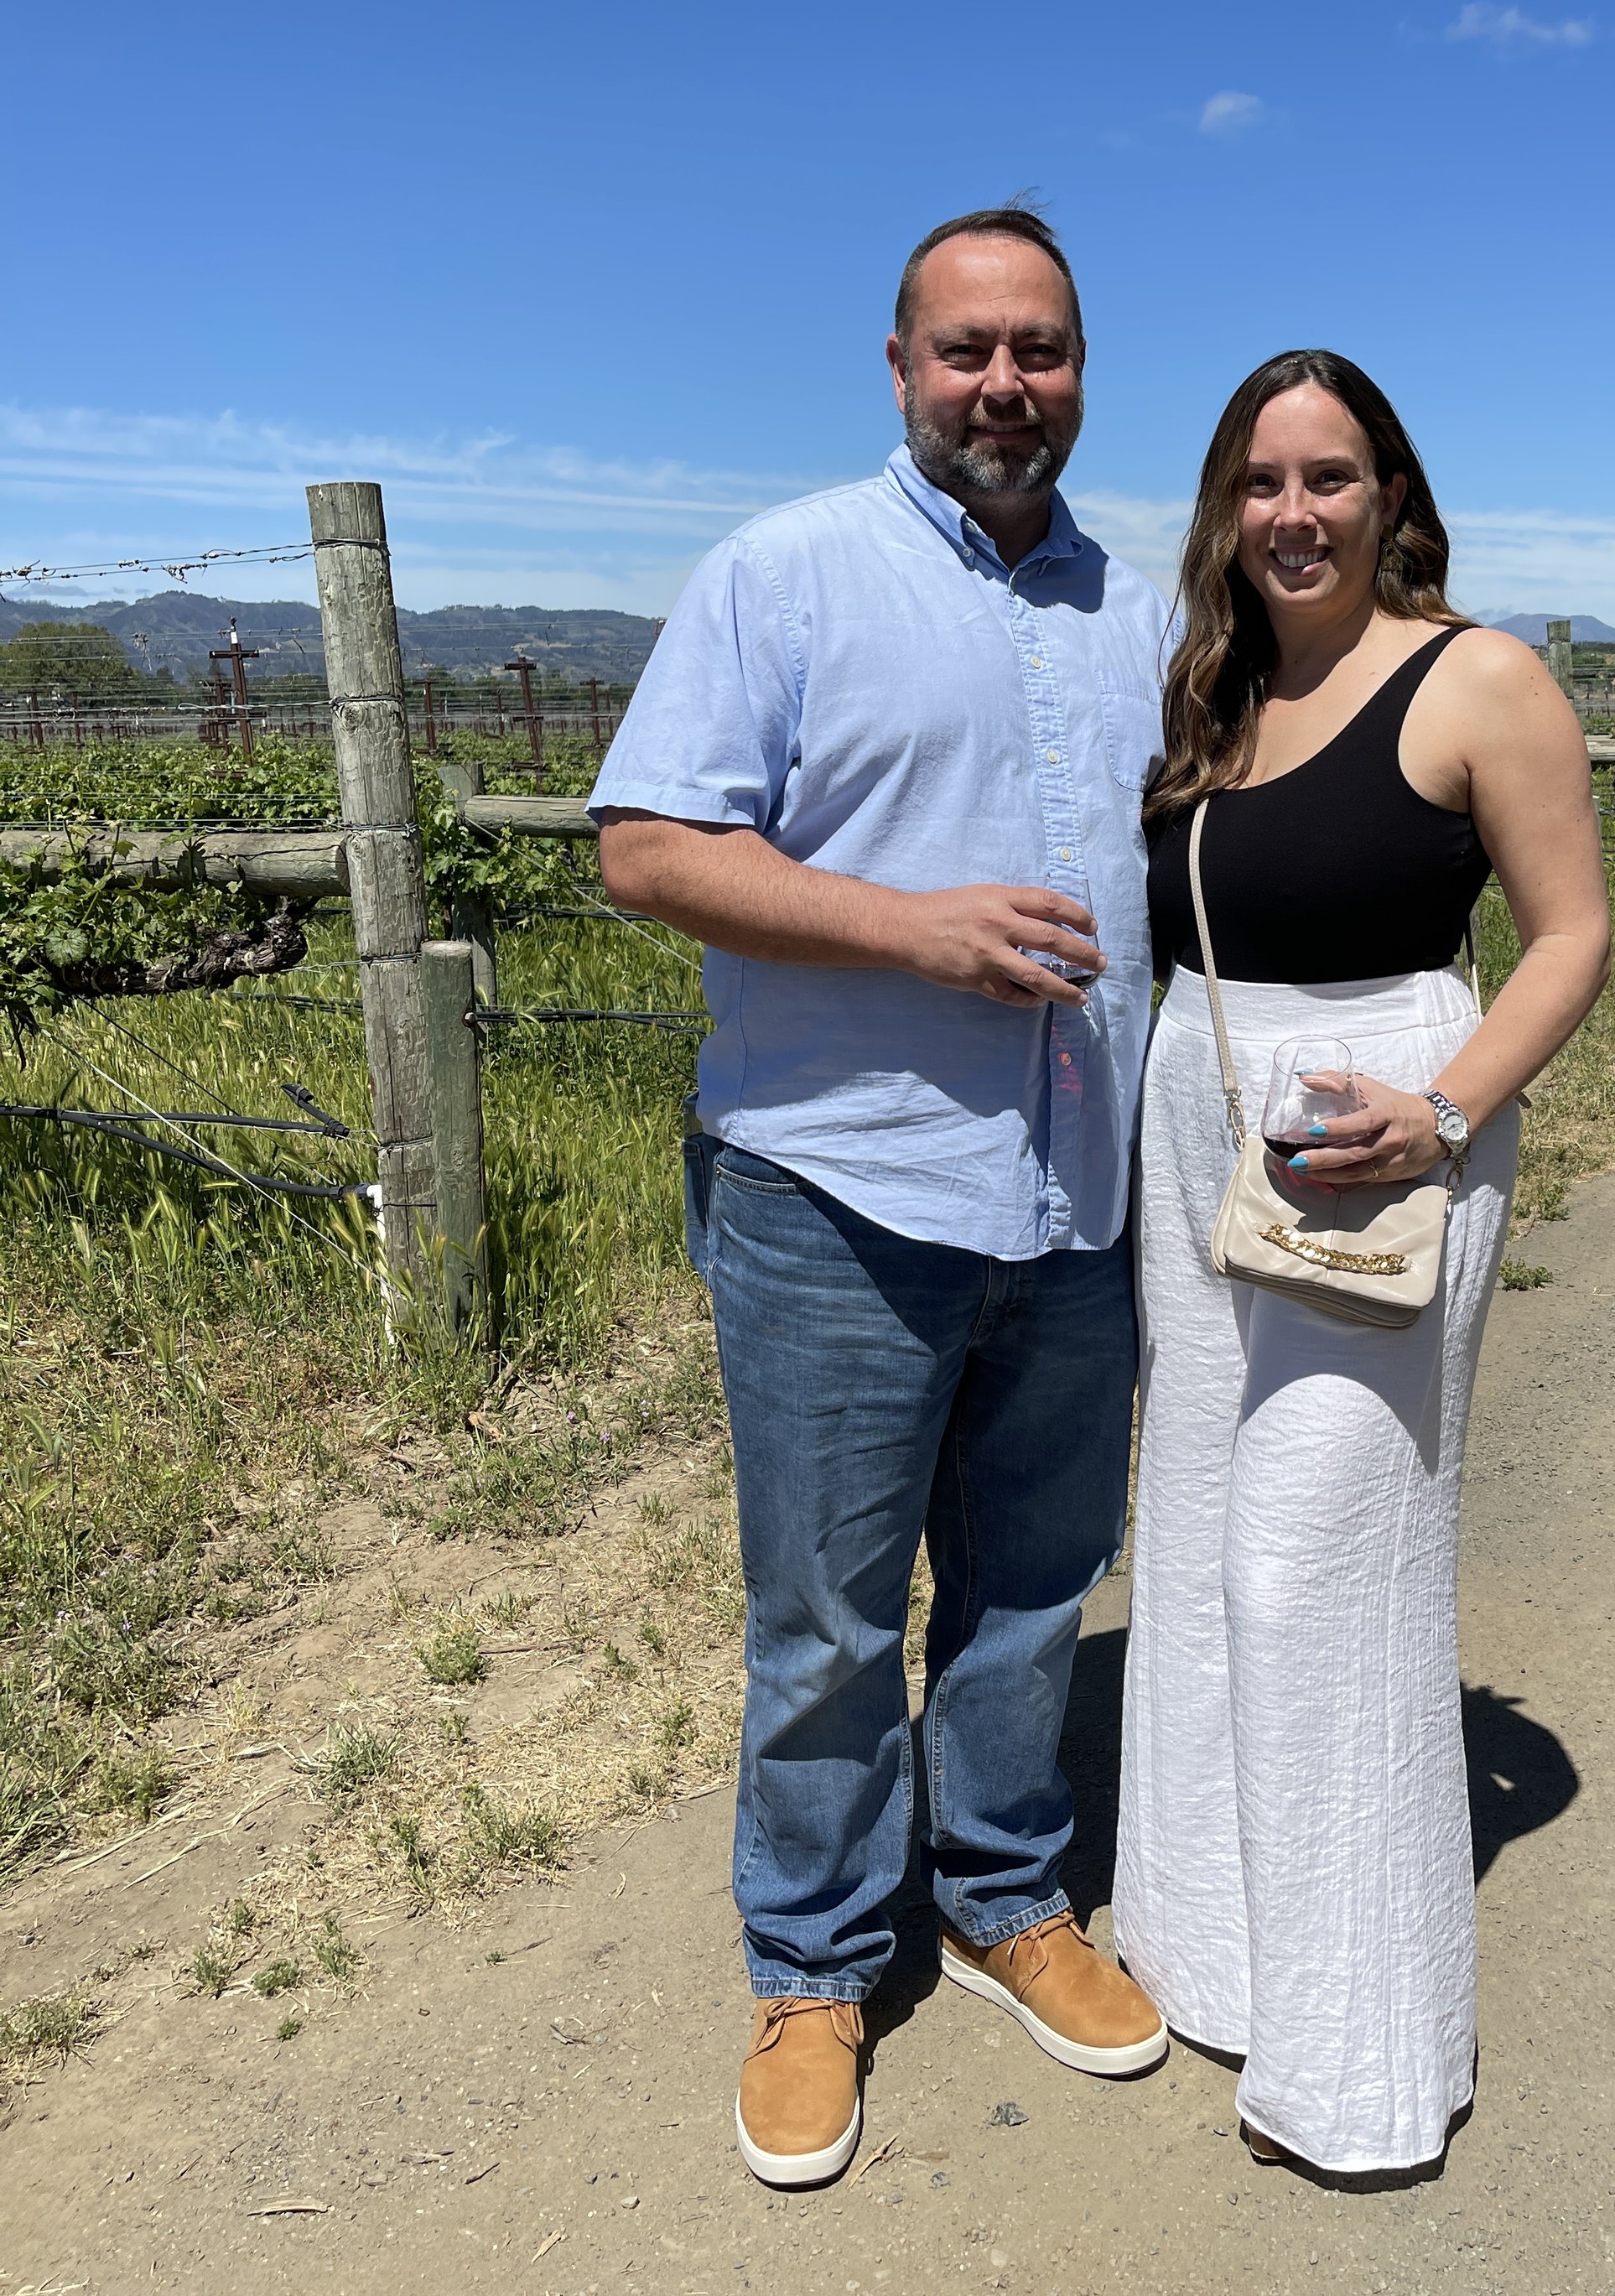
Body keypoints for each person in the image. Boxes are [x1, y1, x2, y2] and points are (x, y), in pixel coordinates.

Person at [590, 208, 1171, 2190]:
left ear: (1081, 365)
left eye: (1042, 348)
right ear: (902, 366)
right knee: (827, 1617)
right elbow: (650, 848)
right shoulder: (784, 571)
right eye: (966, 350)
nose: (1005, 384)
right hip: (838, 1191)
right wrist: (902, 930)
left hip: (1074, 1189)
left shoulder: (1141, 604)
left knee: (1029, 1584)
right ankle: (815, 1956)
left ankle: (1006, 1894)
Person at [1114, 349, 1610, 2178]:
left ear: (1388, 493)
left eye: (1328, 476)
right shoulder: (1217, 683)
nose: (1292, 512)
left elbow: (1570, 935)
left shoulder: (1473, 675)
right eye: (1259, 480)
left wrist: (1447, 1112)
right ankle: (1222, 1955)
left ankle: (1357, 2051)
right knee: (1189, 1517)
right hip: (1200, 1104)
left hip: (1377, 1129)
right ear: (1222, 509)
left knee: (1310, 1556)